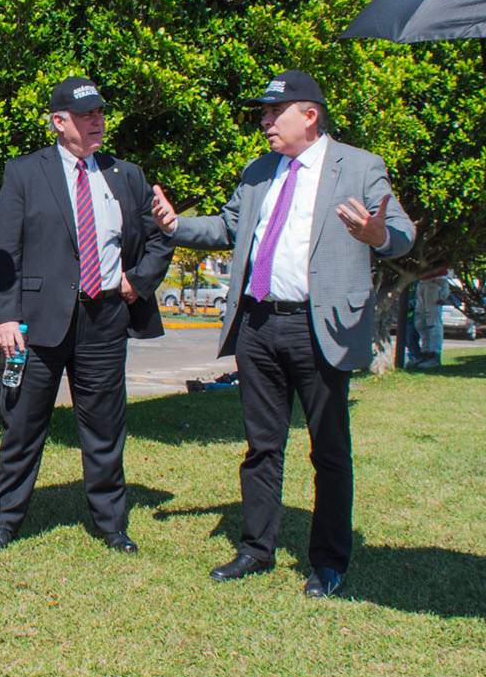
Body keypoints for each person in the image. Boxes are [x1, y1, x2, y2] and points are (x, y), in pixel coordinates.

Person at [150, 69, 414, 599]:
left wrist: (377, 233)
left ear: (309, 115)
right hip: (258, 324)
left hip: (320, 327)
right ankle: (255, 548)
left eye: (274, 112)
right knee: (261, 446)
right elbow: (228, 228)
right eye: (262, 114)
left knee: (329, 451)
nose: (264, 122)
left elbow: (401, 234)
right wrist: (176, 226)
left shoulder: (359, 166)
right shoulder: (257, 171)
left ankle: (329, 561)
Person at [0, 76, 172, 553]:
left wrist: (137, 281)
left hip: (106, 317)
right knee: (23, 426)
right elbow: (5, 248)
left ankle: (111, 524)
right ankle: (3, 523)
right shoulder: (25, 172)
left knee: (105, 426)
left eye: (100, 114)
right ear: (58, 122)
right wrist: (6, 315)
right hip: (39, 321)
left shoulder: (126, 174)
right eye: (86, 116)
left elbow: (161, 234)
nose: (97, 122)